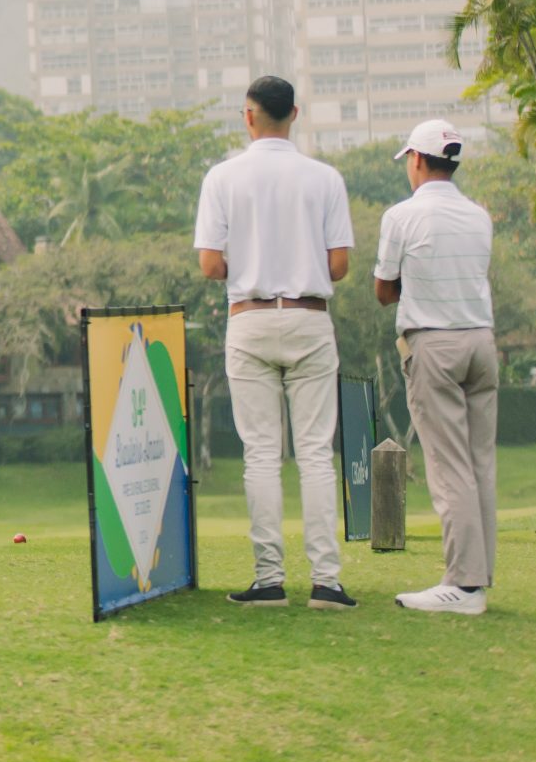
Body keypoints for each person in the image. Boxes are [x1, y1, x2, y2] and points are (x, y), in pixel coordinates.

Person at [194, 75, 359, 610]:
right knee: (315, 454)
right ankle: (326, 582)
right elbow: (339, 264)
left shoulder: (222, 177)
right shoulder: (325, 178)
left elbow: (210, 264)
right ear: (295, 114)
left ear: (249, 116)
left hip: (251, 318)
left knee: (261, 455)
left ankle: (269, 579)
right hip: (310, 317)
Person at [376, 119, 498, 616]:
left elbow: (384, 292)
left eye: (410, 159)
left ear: (420, 160)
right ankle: (478, 577)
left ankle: (464, 586)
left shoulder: (401, 216)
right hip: (481, 344)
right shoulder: (479, 216)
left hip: (436, 346)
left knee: (449, 469)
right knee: (479, 464)